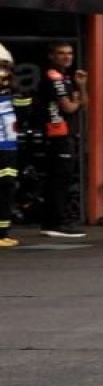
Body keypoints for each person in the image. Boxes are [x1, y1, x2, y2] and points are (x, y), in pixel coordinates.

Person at [33, 41, 89, 237]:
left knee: (61, 179)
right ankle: (57, 222)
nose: (67, 57)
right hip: (57, 135)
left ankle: (52, 222)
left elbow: (84, 104)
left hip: (65, 135)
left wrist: (81, 86)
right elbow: (69, 107)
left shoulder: (66, 78)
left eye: (70, 53)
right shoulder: (53, 77)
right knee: (59, 180)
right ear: (52, 56)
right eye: (61, 53)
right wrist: (76, 100)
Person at [0, 44, 21, 247]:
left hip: (8, 148)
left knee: (7, 187)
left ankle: (2, 232)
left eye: (5, 67)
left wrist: (18, 91)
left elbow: (26, 113)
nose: (3, 72)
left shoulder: (12, 92)